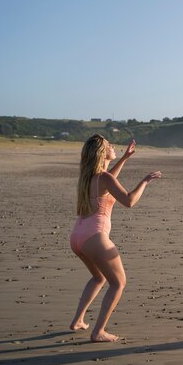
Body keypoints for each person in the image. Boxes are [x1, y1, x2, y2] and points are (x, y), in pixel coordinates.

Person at [69, 134, 161, 342]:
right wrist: (145, 181)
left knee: (99, 278)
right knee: (118, 283)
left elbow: (109, 177)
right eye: (109, 145)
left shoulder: (89, 177)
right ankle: (98, 331)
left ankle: (78, 321)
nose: (113, 146)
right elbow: (128, 201)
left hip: (78, 236)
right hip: (95, 237)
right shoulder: (104, 178)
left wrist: (125, 158)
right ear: (102, 153)